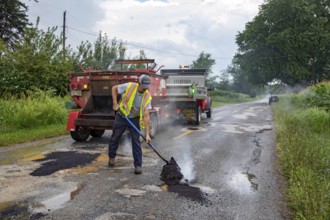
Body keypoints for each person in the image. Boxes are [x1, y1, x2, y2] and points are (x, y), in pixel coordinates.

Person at [108, 74, 152, 174]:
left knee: (136, 141)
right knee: (115, 136)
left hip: (135, 118)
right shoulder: (130, 86)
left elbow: (146, 115)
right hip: (122, 115)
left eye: (147, 88)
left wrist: (147, 134)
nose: (145, 89)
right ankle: (111, 156)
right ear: (139, 83)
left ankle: (138, 165)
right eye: (143, 87)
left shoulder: (147, 96)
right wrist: (115, 103)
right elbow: (114, 88)